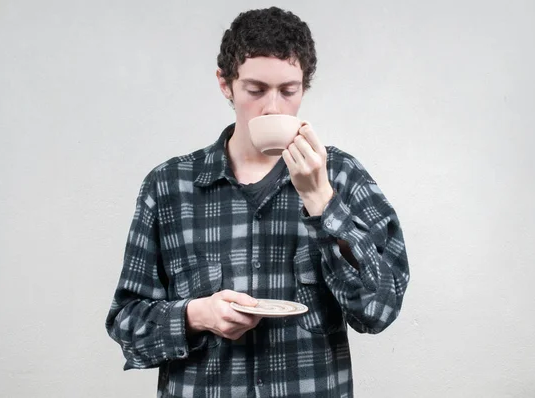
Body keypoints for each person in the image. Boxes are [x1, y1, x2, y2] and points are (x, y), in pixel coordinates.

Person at [106, 6, 409, 398]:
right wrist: (196, 315)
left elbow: (379, 311)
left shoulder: (341, 175)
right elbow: (126, 324)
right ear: (225, 84)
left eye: (289, 91)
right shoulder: (168, 186)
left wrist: (321, 200)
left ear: (305, 87)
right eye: (255, 90)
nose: (273, 108)